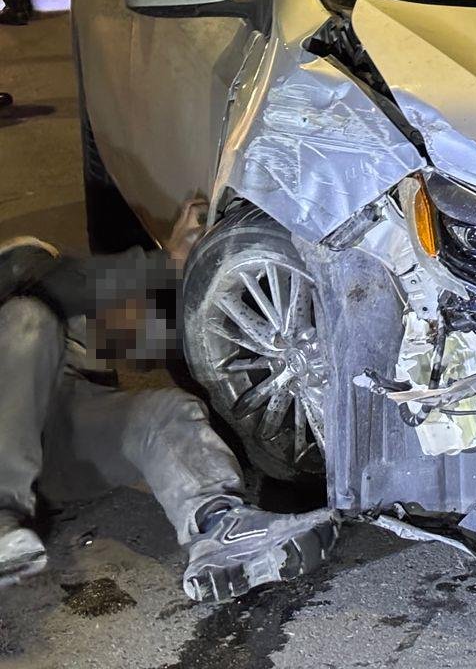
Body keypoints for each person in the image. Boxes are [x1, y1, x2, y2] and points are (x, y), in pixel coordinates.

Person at [0, 231, 338, 601]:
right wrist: (165, 261)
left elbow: (149, 339)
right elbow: (57, 285)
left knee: (165, 412)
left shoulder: (67, 333)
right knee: (28, 316)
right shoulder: (25, 301)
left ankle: (219, 526)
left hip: (56, 444)